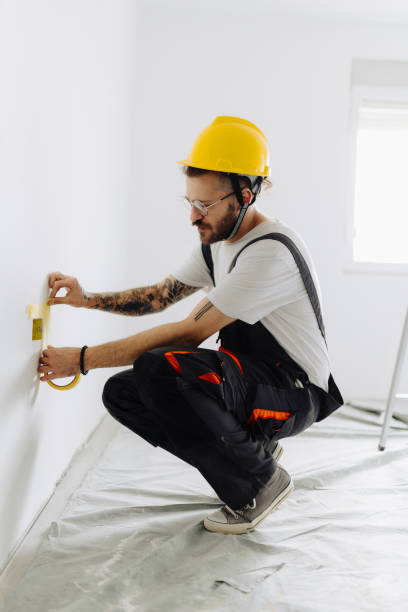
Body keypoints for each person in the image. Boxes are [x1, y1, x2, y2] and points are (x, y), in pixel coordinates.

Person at [39, 115, 344, 535]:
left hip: (296, 392)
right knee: (124, 394)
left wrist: (83, 359)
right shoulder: (219, 244)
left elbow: (187, 333)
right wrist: (85, 299)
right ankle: (253, 456)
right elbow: (157, 296)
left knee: (161, 369)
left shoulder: (269, 253)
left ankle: (259, 482)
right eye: (190, 203)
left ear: (246, 194)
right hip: (256, 381)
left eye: (205, 206)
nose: (194, 217)